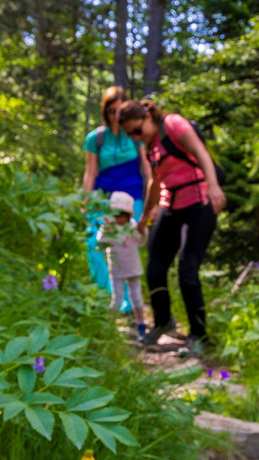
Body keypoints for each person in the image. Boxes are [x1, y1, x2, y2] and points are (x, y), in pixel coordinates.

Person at [118, 99, 226, 357]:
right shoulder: (149, 146)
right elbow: (155, 182)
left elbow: (200, 153)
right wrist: (144, 216)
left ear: (147, 117)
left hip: (199, 203)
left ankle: (199, 336)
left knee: (188, 269)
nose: (136, 137)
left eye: (137, 130)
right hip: (171, 206)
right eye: (130, 134)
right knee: (155, 268)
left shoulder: (173, 124)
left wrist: (213, 186)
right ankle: (163, 321)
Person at [81, 87, 150, 309]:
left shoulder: (135, 135)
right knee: (95, 245)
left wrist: (153, 200)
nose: (115, 115)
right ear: (105, 111)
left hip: (131, 200)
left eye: (120, 110)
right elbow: (90, 172)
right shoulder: (96, 138)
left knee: (128, 246)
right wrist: (85, 202)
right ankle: (104, 299)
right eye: (111, 110)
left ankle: (129, 303)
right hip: (103, 199)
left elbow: (147, 168)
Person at [96, 190, 148, 341]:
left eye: (121, 214)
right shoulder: (108, 229)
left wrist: (143, 230)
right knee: (117, 299)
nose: (118, 218)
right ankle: (108, 329)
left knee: (136, 297)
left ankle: (141, 327)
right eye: (116, 214)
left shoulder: (132, 227)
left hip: (133, 268)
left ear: (127, 215)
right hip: (117, 269)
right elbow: (100, 245)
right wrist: (106, 227)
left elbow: (142, 242)